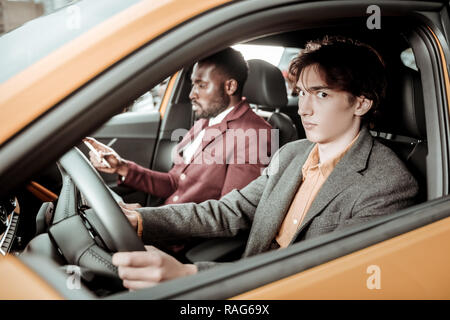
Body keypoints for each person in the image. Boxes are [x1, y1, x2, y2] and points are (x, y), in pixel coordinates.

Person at [111, 36, 419, 290]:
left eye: (322, 94)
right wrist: (143, 221)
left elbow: (329, 280)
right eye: (301, 94)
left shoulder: (388, 184)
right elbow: (229, 210)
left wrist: (192, 277)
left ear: (361, 103)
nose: (304, 109)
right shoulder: (291, 154)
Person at [85, 48, 274, 209]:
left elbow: (229, 215)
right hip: (166, 223)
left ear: (230, 86)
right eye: (193, 84)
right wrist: (122, 167)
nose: (192, 94)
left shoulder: (254, 135)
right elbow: (175, 183)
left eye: (202, 85)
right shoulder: (205, 122)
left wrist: (146, 219)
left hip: (187, 245)